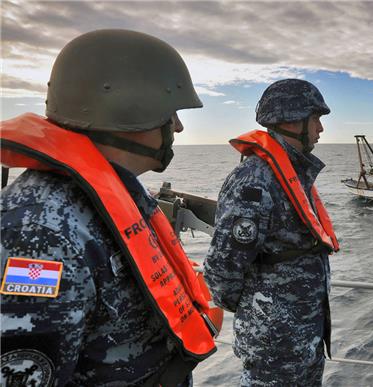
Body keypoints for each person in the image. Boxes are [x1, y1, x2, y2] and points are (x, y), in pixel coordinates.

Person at [0, 29, 218, 386]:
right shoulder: (39, 231)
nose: (177, 126)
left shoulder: (111, 195)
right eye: (171, 113)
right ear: (133, 108)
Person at [204, 79, 340, 386]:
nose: (320, 129)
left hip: (304, 339)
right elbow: (223, 268)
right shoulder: (254, 179)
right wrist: (262, 313)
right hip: (273, 345)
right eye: (316, 119)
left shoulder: (292, 174)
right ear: (293, 119)